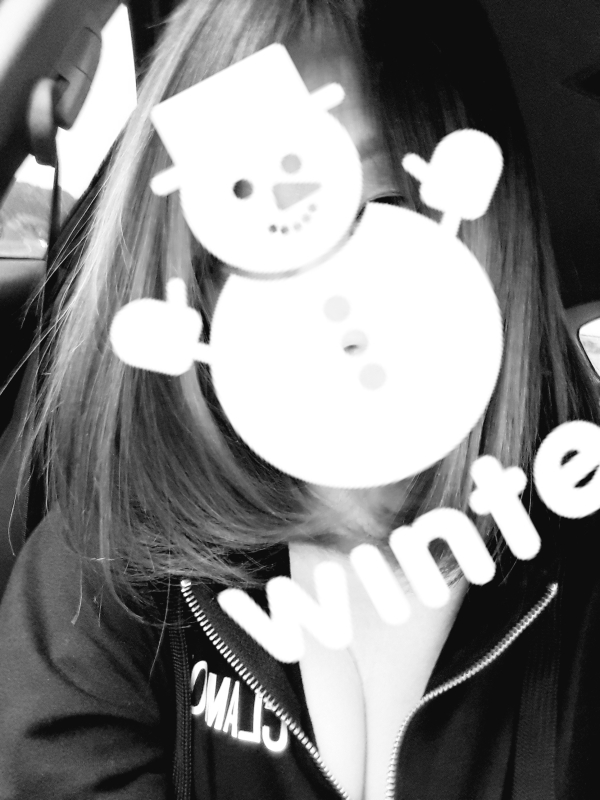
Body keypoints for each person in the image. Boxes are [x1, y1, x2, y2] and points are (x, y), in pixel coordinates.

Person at [1, 0, 599, 798]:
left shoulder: (578, 543)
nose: (323, 296)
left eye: (380, 207)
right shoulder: (106, 567)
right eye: (255, 232)